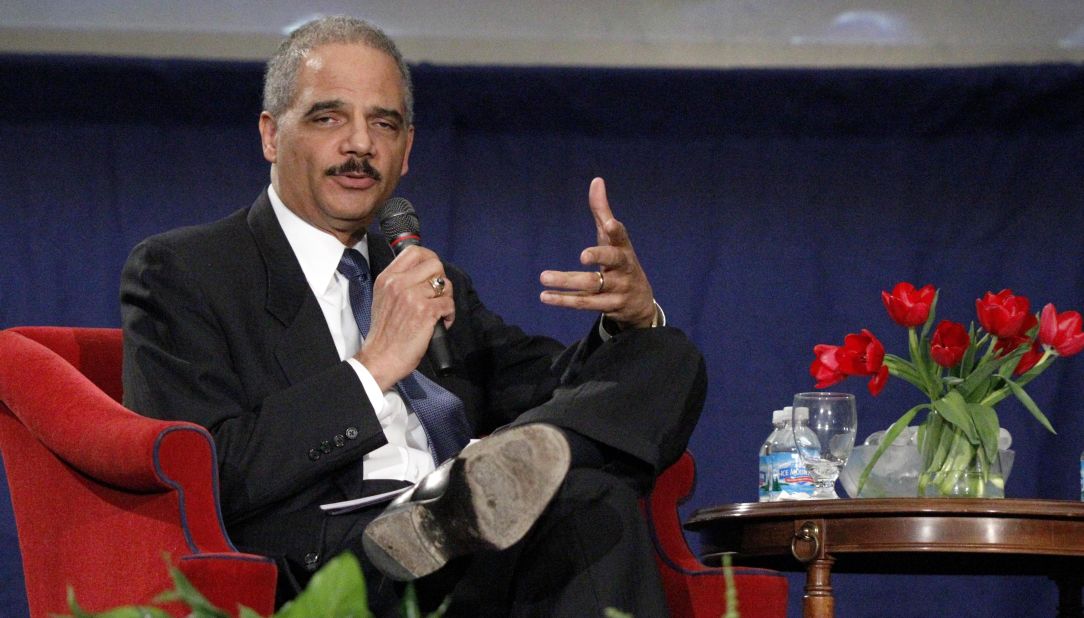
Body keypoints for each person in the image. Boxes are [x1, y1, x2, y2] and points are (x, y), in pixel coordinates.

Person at [121, 15, 705, 617]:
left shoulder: (426, 276)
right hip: (335, 562)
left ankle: (470, 493)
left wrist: (631, 324)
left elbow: (553, 391)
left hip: (475, 547)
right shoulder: (185, 271)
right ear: (271, 135)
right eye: (328, 117)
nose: (359, 144)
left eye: (384, 123)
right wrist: (372, 370)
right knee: (592, 499)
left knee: (663, 359)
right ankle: (456, 503)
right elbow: (203, 474)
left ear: (406, 152)